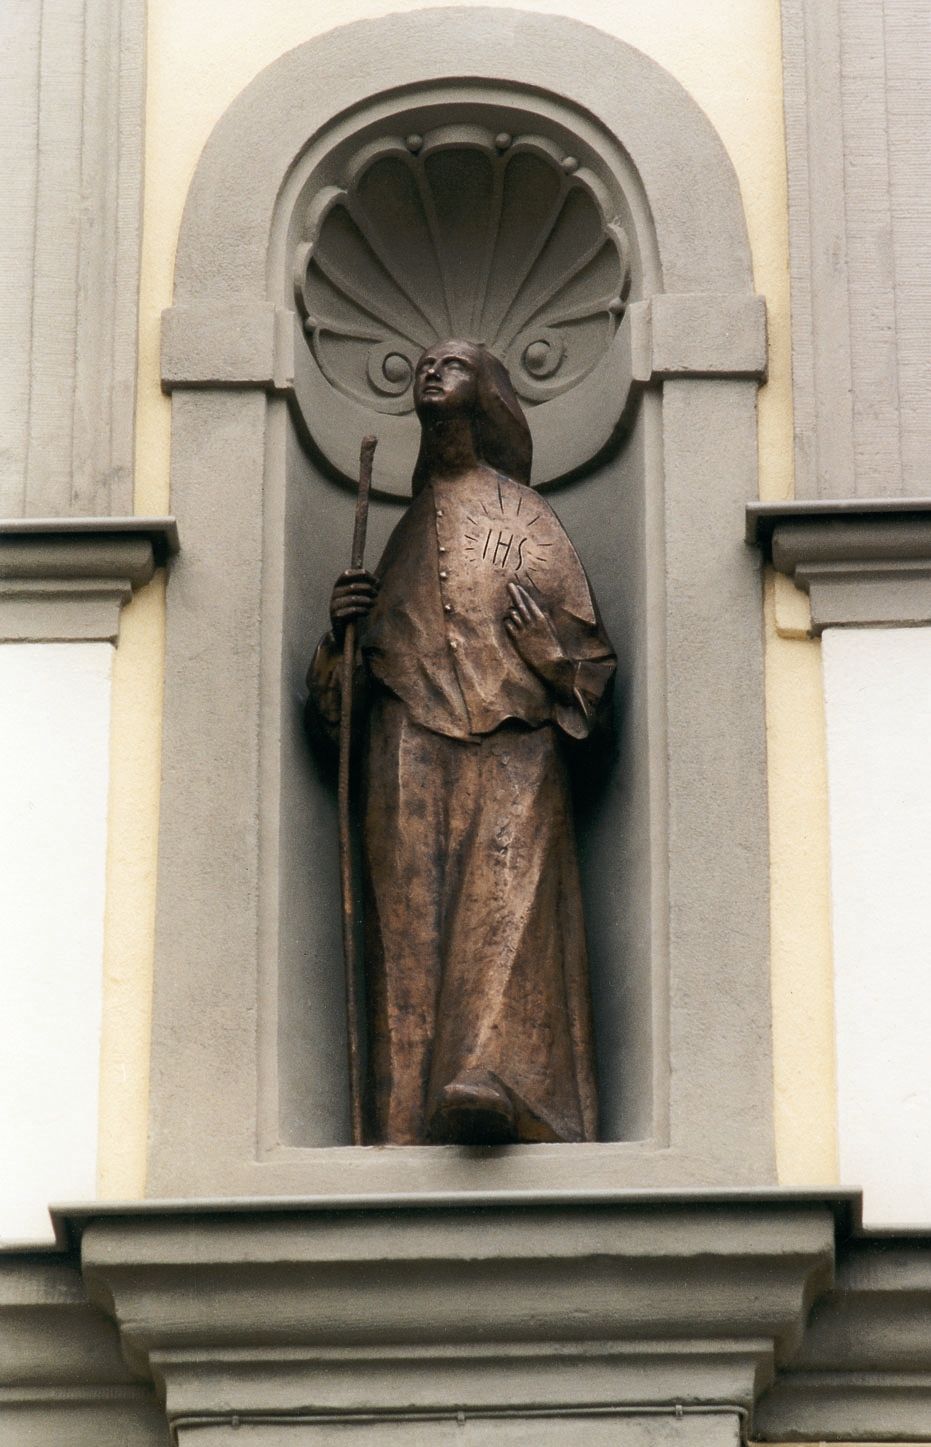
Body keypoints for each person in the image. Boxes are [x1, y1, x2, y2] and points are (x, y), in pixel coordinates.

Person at [307, 339, 616, 1146]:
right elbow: (345, 698)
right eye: (424, 362)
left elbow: (589, 664)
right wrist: (340, 636)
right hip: (407, 742)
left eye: (453, 364)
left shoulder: (525, 517)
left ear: (487, 395)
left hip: (516, 741)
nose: (429, 370)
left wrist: (551, 661)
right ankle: (402, 1110)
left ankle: (494, 1075)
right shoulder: (402, 528)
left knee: (508, 907)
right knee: (407, 929)